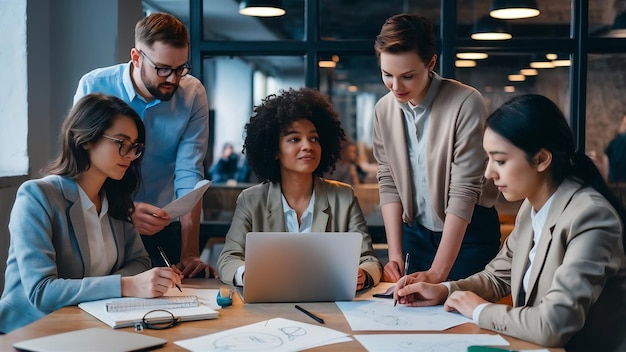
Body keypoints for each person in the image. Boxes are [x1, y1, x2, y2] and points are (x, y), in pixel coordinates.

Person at [394, 94, 626, 351]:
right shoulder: (531, 208)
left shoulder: (591, 216)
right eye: (489, 159)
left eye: (500, 161)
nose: (488, 173)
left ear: (541, 159)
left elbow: (554, 325)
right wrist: (445, 291)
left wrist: (479, 310)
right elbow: (496, 277)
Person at [0, 94, 184, 334]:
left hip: (91, 326)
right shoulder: (37, 196)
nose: (130, 155)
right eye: (121, 143)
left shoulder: (116, 200)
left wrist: (122, 285)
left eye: (135, 147)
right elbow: (41, 291)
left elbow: (140, 262)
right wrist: (125, 285)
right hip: (30, 331)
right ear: (85, 138)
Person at [73, 13, 216, 278]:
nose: (173, 79)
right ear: (137, 57)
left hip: (165, 224)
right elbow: (82, 167)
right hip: (106, 221)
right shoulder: (94, 86)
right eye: (163, 69)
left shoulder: (193, 93)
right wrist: (125, 210)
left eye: (181, 68)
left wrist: (190, 253)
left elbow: (189, 173)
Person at [372, 14, 501, 283]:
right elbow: (388, 181)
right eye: (387, 75)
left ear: (431, 63)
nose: (396, 87)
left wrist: (437, 273)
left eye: (408, 76)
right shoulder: (383, 109)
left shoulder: (465, 102)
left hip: (467, 233)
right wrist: (394, 255)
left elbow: (465, 189)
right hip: (414, 234)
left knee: (460, 319)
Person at [217, 87, 383, 290]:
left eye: (314, 138)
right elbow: (228, 259)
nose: (308, 146)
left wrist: (363, 275)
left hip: (330, 306)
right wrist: (248, 274)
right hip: (269, 306)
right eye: (294, 139)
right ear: (275, 150)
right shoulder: (251, 200)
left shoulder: (344, 197)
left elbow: (369, 260)